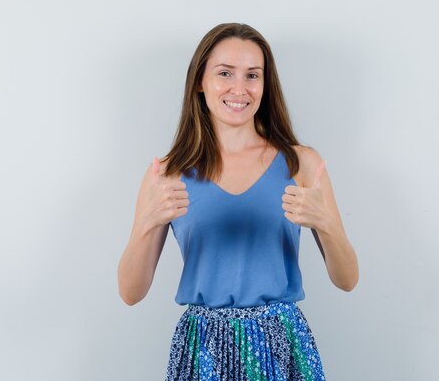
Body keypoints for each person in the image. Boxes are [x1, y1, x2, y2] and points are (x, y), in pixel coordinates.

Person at [117, 22, 359, 381]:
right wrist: (144, 224)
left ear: (265, 84)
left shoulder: (302, 163)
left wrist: (325, 224)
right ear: (200, 80)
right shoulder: (166, 172)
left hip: (282, 344)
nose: (239, 88)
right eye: (225, 73)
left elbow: (347, 279)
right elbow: (130, 293)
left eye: (252, 75)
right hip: (203, 349)